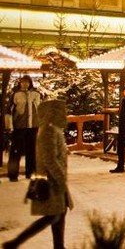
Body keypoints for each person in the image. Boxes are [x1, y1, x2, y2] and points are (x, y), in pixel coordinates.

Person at [3, 94, 73, 249]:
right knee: (52, 215)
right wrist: (61, 179)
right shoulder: (48, 131)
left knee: (59, 213)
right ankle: (15, 242)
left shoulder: (53, 129)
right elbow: (50, 159)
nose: (64, 114)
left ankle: (59, 246)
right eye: (61, 111)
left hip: (53, 179)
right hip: (50, 180)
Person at [7, 75, 42, 182]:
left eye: (27, 82)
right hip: (19, 127)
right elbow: (9, 111)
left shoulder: (36, 94)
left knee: (32, 151)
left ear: (30, 83)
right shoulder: (16, 95)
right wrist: (9, 126)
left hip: (33, 126)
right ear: (19, 83)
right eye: (22, 82)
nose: (25, 84)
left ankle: (30, 173)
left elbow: (40, 109)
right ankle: (13, 174)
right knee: (16, 151)